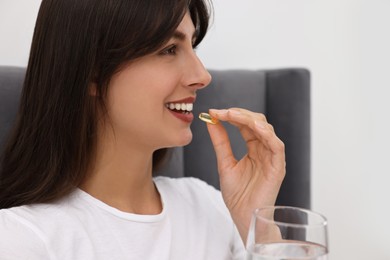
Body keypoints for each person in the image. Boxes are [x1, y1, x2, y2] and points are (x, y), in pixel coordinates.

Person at [0, 0, 286, 259]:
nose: (202, 76)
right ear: (93, 73)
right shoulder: (24, 239)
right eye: (169, 49)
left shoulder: (210, 205)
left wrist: (258, 226)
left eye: (192, 46)